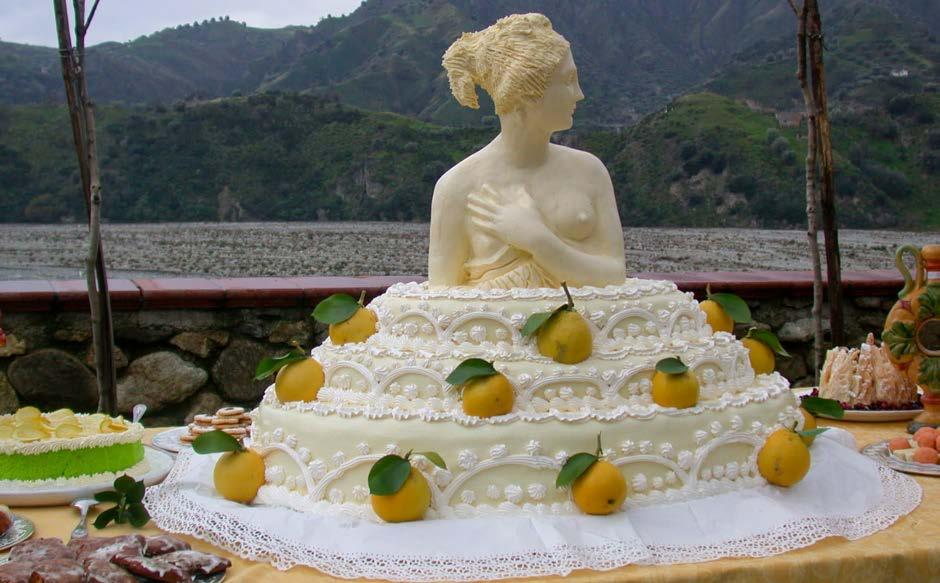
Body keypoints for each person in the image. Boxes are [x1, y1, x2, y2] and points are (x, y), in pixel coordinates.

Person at [429, 13, 626, 289]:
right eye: (568, 80)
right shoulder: (456, 187)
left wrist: (538, 241)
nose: (579, 93)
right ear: (524, 92)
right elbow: (441, 296)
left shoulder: (590, 171)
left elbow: (615, 275)